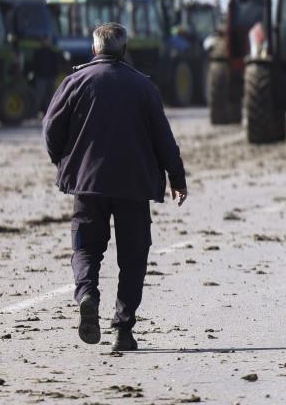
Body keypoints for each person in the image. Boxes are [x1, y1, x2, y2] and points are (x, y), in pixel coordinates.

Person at [43, 22, 188, 352]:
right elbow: (164, 140)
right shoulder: (143, 87)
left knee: (86, 248)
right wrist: (177, 179)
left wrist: (66, 162)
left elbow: (51, 128)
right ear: (124, 50)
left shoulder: (75, 81)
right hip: (134, 186)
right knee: (133, 258)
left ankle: (87, 294)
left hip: (88, 184)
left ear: (94, 49)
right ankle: (123, 330)